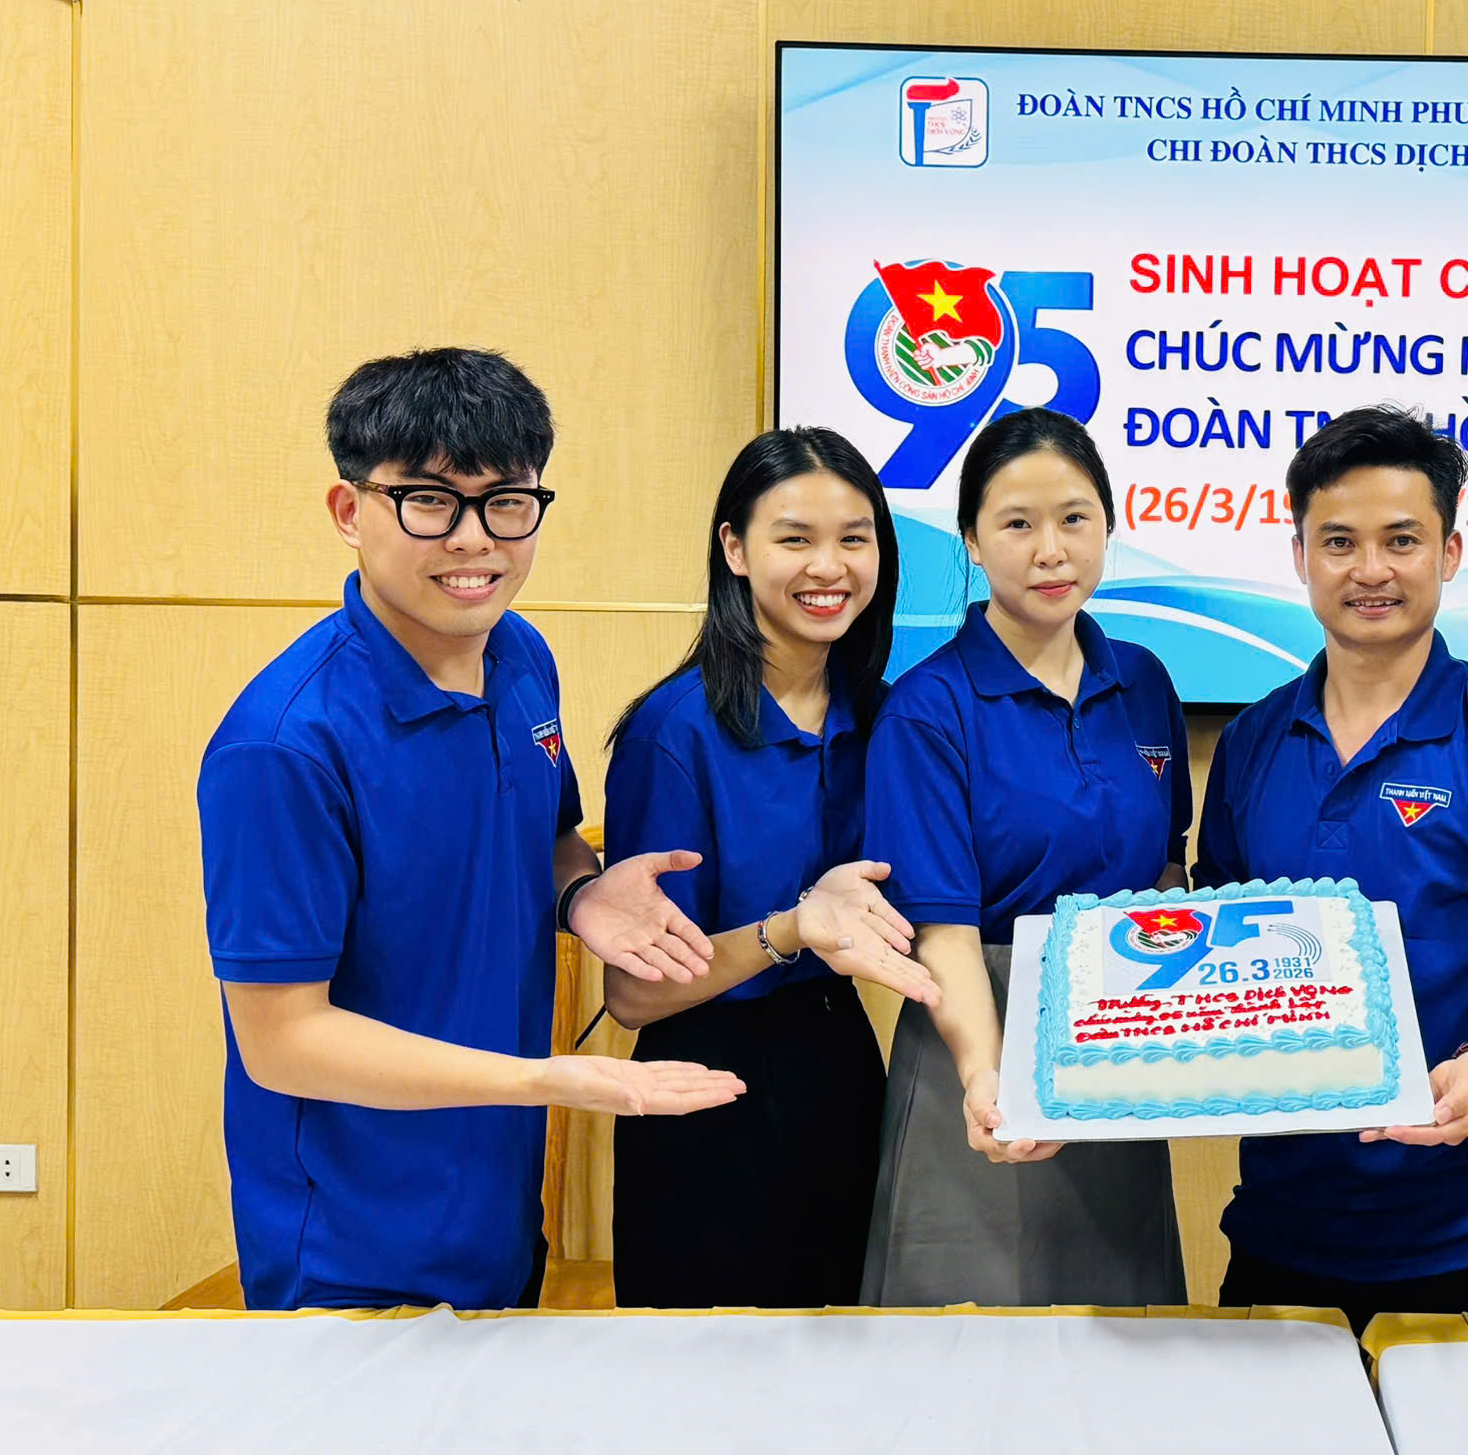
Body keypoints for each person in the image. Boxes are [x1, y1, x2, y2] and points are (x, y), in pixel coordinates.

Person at [198, 348, 739, 1311]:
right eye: (430, 502)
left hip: (496, 1215)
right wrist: (546, 1080)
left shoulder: (520, 657)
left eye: (506, 502)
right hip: (348, 1255)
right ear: (348, 510)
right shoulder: (284, 747)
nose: (473, 540)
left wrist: (582, 894)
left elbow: (550, 839)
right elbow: (283, 1041)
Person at [1193, 406, 1468, 1334]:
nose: (1370, 569)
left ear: (1450, 553)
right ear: (1300, 555)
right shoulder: (1253, 742)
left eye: (1402, 540)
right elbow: (1220, 959)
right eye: (1339, 542)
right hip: (1283, 1220)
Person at [858, 407, 1193, 1305]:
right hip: (976, 1045)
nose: (1051, 551)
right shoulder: (929, 708)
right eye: (1017, 524)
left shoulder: (1144, 682)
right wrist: (989, 1075)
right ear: (971, 540)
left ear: (1109, 526)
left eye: (1075, 519)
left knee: (1122, 1330)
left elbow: (1167, 876)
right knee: (968, 1341)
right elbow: (941, 928)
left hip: (1118, 1051)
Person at [602, 428, 942, 1308]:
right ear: (735, 548)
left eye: (854, 539)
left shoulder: (886, 715)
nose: (829, 567)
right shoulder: (674, 732)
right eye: (795, 539)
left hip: (840, 1069)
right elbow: (634, 996)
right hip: (705, 1090)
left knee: (847, 1362)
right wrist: (790, 929)